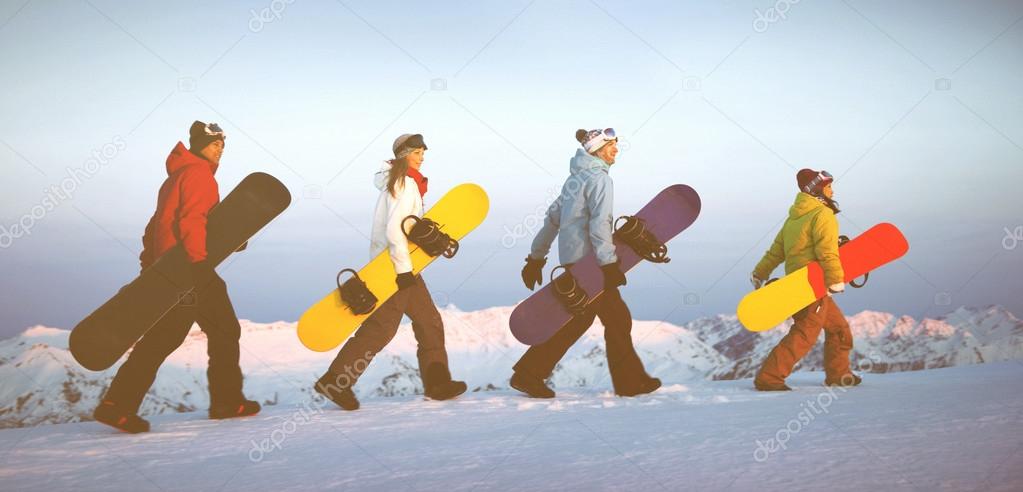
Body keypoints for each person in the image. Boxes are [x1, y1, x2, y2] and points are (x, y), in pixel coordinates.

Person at [93, 121, 260, 433]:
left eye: (222, 145)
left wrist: (152, 265)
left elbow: (156, 227)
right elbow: (192, 222)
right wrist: (198, 264)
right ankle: (227, 401)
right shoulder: (199, 176)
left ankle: (116, 405)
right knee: (225, 329)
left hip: (171, 270)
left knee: (163, 337)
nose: (220, 150)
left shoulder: (176, 177)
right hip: (191, 269)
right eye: (214, 144)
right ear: (198, 145)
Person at [314, 133, 467, 410]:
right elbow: (395, 228)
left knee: (426, 322)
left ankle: (437, 383)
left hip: (398, 265)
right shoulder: (405, 182)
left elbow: (405, 228)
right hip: (396, 268)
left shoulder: (401, 183)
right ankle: (336, 381)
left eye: (423, 153)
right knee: (383, 328)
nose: (422, 158)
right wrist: (403, 270)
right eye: (417, 152)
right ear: (404, 154)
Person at [510, 128, 661, 399]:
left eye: (616, 144)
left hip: (574, 263)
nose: (616, 149)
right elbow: (600, 223)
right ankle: (529, 375)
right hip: (591, 264)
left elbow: (552, 220)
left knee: (594, 318)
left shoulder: (574, 180)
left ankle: (630, 381)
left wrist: (535, 258)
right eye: (611, 145)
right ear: (596, 150)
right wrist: (608, 264)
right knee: (606, 319)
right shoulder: (600, 180)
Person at [750, 169, 862, 391]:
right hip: (814, 285)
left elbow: (776, 252)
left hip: (799, 283)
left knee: (839, 329)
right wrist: (835, 279)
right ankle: (769, 377)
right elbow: (827, 251)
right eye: (829, 186)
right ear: (817, 189)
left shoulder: (794, 218)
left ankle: (839, 375)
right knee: (804, 333)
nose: (833, 190)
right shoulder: (823, 215)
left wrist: (759, 273)